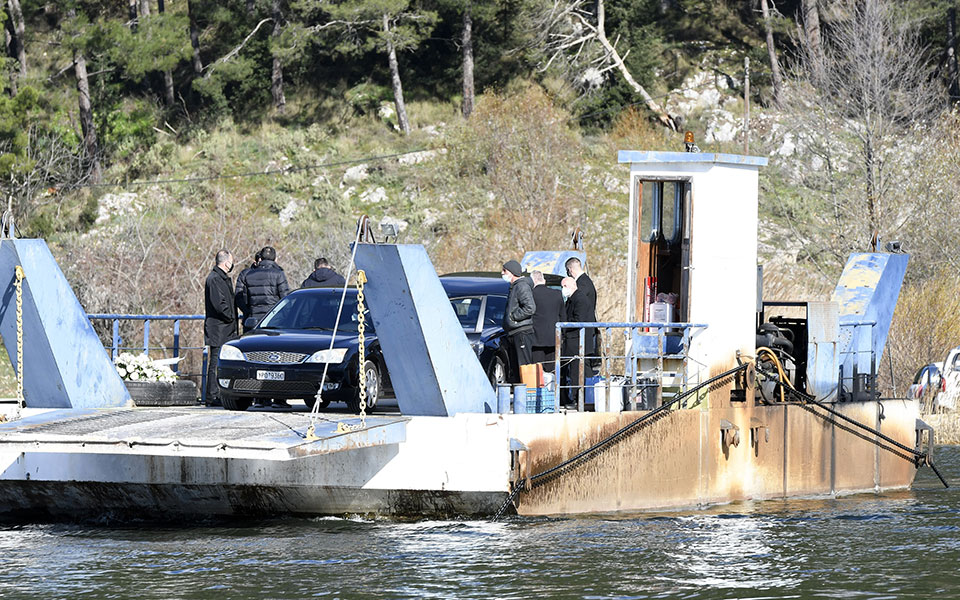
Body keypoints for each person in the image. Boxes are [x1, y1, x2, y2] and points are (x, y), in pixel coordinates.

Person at [241, 246, 291, 408]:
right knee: (278, 360)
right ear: (275, 259)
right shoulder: (278, 274)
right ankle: (278, 398)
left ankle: (260, 398)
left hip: (254, 322)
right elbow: (286, 299)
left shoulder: (248, 275)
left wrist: (249, 313)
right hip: (276, 324)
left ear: (260, 259)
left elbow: (242, 298)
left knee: (257, 359)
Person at [203, 249, 238, 407]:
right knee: (215, 362)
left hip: (224, 328)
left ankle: (221, 393)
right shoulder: (215, 279)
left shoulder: (220, 278)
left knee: (221, 361)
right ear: (227, 262)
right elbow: (219, 304)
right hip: (219, 328)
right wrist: (230, 316)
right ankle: (212, 395)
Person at [560, 276, 596, 408]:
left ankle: (579, 399)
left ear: (571, 286)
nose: (563, 289)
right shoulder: (573, 299)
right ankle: (581, 399)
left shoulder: (579, 299)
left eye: (564, 286)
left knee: (579, 372)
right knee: (578, 371)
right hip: (575, 341)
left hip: (578, 342)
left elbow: (578, 319)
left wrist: (564, 325)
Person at [501, 260, 536, 383]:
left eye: (504, 271)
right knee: (516, 369)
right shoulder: (514, 287)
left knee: (524, 367)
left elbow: (530, 307)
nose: (502, 273)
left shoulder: (521, 286)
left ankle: (527, 396)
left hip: (521, 332)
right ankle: (519, 396)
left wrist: (513, 317)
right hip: (514, 332)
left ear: (512, 272)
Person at [530, 270, 564, 370]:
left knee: (537, 372)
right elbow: (563, 316)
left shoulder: (531, 294)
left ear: (533, 281)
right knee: (552, 370)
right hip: (553, 338)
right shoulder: (557, 294)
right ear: (544, 281)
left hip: (536, 339)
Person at [235, 250, 261, 332]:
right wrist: (247, 311)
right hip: (250, 319)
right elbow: (238, 297)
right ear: (255, 262)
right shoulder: (245, 274)